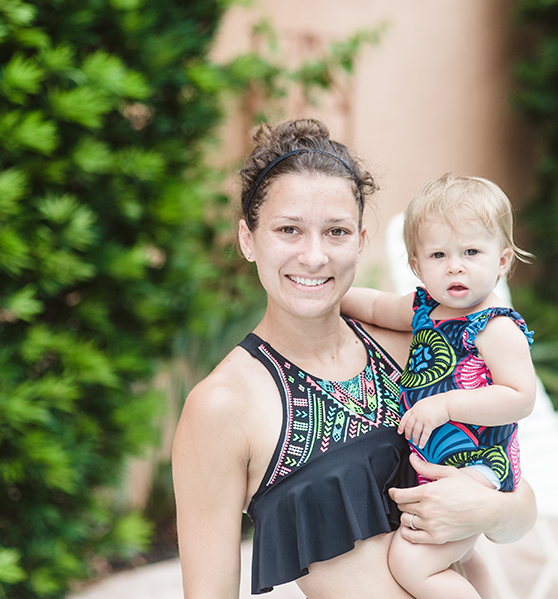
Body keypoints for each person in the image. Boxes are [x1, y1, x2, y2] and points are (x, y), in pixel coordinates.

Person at [171, 119, 538, 599]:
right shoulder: (223, 405)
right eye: (288, 230)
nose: (314, 256)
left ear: (361, 241)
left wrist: (487, 510)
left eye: (336, 232)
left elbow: (520, 508)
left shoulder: (416, 345)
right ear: (248, 239)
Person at [340, 174, 537, 599]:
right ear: (417, 266)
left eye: (471, 252)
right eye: (438, 254)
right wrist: (331, 296)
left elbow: (520, 398)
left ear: (502, 261)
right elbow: (374, 305)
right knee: (460, 558)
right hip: (441, 462)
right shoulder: (424, 310)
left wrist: (447, 405)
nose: (455, 266)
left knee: (410, 561)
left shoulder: (495, 327)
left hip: (481, 464)